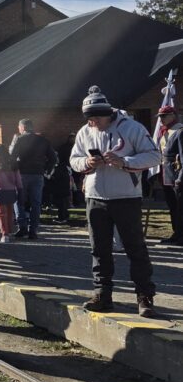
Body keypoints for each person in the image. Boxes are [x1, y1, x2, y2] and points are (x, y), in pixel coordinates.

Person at [70, 86, 161, 318]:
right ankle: (102, 294)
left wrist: (124, 161)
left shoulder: (132, 128)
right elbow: (74, 160)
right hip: (95, 197)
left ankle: (144, 296)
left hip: (126, 197)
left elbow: (154, 156)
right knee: (99, 249)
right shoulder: (85, 131)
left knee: (135, 248)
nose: (93, 124)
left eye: (96, 119)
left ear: (108, 113)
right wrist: (87, 163)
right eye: (89, 119)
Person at [10, 119, 56, 239]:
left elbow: (12, 157)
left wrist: (15, 170)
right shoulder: (43, 140)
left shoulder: (19, 139)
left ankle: (22, 227)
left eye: (19, 127)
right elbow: (53, 158)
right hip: (38, 174)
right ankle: (33, 230)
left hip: (22, 174)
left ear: (22, 127)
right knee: (36, 203)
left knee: (19, 201)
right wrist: (46, 170)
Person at [157, 105, 183, 244]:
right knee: (173, 206)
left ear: (173, 115)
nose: (161, 119)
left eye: (164, 116)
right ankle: (176, 233)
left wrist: (180, 178)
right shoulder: (164, 132)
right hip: (166, 174)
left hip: (177, 174)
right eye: (160, 116)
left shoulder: (180, 131)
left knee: (180, 207)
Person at [0, 144, 22, 243]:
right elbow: (18, 180)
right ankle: (10, 232)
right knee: (10, 213)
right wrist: (20, 191)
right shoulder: (13, 164)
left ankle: (4, 234)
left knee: (1, 214)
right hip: (11, 192)